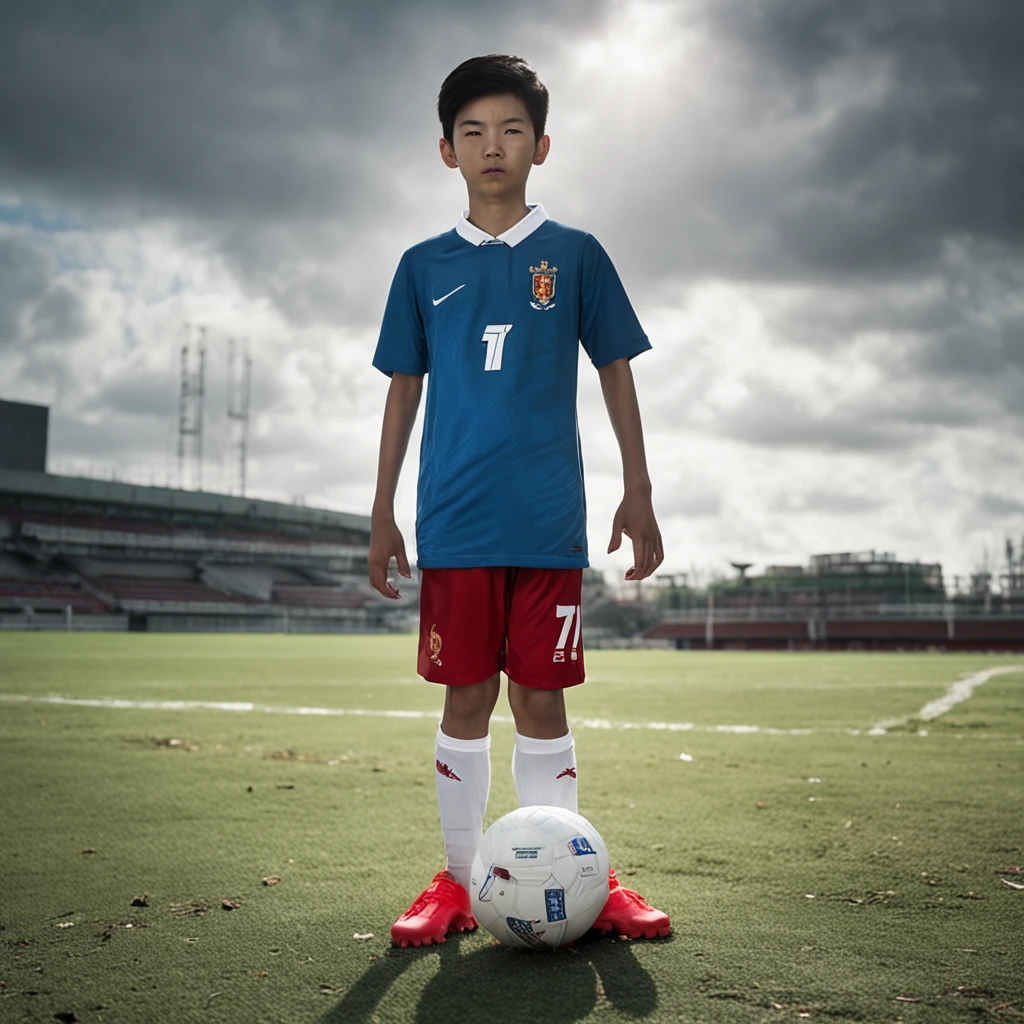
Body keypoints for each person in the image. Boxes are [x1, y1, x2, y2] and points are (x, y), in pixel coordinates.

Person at [368, 54, 669, 947]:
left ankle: (581, 871)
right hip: (453, 522)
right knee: (466, 696)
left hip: (547, 520)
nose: (491, 146)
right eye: (472, 131)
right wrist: (382, 509)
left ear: (541, 144)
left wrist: (639, 487)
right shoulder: (422, 266)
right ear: (445, 150)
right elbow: (402, 391)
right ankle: (459, 882)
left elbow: (615, 369)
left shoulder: (576, 255)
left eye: (509, 130)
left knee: (542, 700)